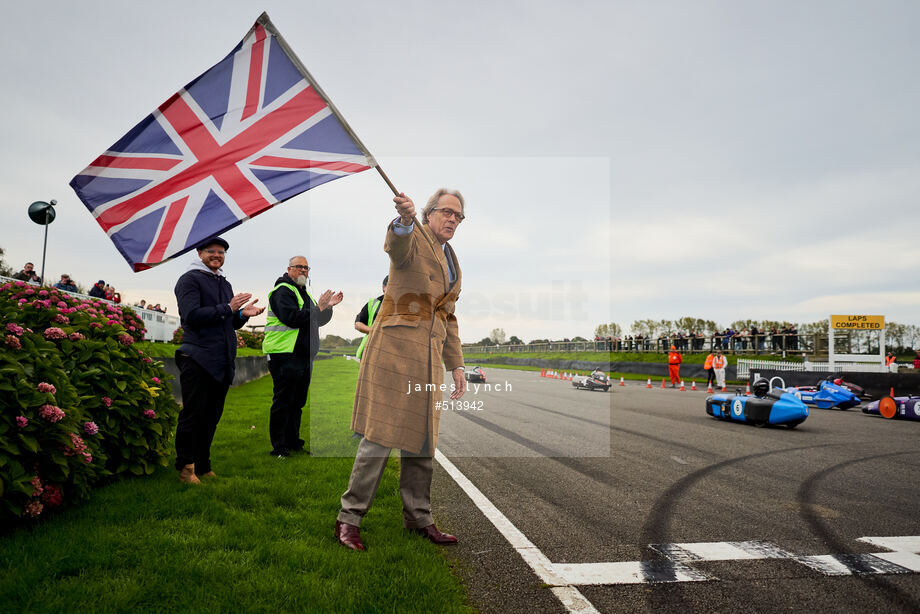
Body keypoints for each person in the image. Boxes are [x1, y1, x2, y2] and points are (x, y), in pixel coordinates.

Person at [336, 188, 467, 552]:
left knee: (423, 441)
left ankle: (418, 518)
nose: (453, 219)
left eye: (458, 215)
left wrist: (455, 364)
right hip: (395, 352)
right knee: (379, 438)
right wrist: (404, 221)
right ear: (429, 214)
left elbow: (449, 315)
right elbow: (397, 247)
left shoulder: (453, 259)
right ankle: (349, 519)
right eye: (447, 212)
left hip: (429, 359)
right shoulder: (413, 237)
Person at [173, 236, 264, 484]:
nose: (217, 255)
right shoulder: (189, 279)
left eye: (221, 252)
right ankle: (185, 467)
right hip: (197, 357)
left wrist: (243, 314)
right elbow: (191, 316)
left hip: (221, 361)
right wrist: (229, 307)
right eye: (211, 251)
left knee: (211, 416)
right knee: (193, 415)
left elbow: (229, 320)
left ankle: (203, 465)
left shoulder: (224, 282)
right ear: (200, 253)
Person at [262, 255, 342, 457]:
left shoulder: (305, 294)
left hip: (303, 356)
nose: (304, 271)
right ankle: (279, 448)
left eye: (307, 268)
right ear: (289, 269)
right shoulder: (282, 291)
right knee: (283, 402)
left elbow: (318, 320)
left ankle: (293, 442)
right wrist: (319, 308)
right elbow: (291, 318)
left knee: (297, 402)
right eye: (299, 267)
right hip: (285, 354)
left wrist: (328, 307)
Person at [353, 276, 388, 361]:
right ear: (383, 287)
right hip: (370, 351)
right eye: (391, 285)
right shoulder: (373, 303)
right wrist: (374, 331)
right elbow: (358, 324)